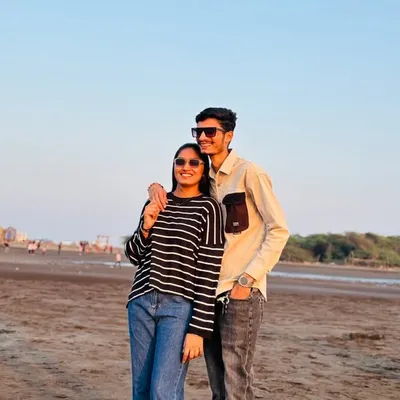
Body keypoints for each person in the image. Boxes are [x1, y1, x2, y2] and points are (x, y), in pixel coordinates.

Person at [148, 108, 290, 400]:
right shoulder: (205, 178)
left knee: (236, 380)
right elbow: (180, 189)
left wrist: (246, 281)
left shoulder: (250, 173)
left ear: (229, 136)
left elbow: (279, 230)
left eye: (210, 131)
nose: (202, 137)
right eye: (198, 131)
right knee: (217, 381)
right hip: (208, 293)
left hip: (240, 292)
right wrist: (154, 188)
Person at [125, 143, 224, 400]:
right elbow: (134, 255)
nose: (185, 167)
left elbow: (209, 270)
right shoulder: (156, 202)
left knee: (163, 391)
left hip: (179, 308)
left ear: (203, 170)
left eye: (193, 163)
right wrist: (146, 227)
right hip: (142, 301)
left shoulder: (209, 208)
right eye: (180, 162)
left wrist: (198, 330)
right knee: (141, 390)